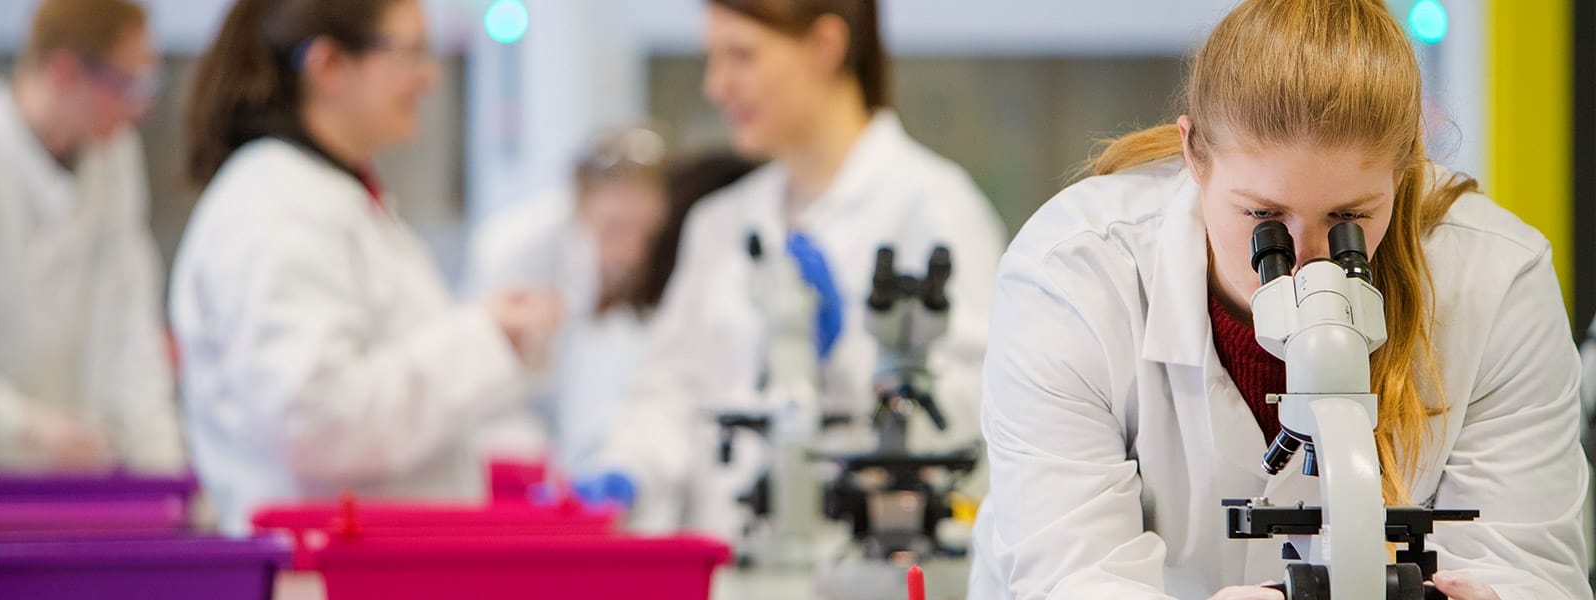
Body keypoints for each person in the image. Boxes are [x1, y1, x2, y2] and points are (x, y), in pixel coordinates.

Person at [968, 0, 1589, 598]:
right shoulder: (1074, 278)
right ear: (1194, 154)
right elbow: (1074, 574)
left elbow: (1525, 562)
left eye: (1350, 217)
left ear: (1404, 169)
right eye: (1263, 216)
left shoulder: (1495, 282)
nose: (1307, 261)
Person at [594, 0, 1006, 540]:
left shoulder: (932, 206)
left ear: (825, 47)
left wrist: (853, 358)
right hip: (723, 567)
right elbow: (668, 391)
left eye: (741, 56)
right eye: (711, 59)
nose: (716, 86)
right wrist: (630, 469)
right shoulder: (719, 221)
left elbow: (983, 419)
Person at [171, 0, 562, 535]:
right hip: (321, 571)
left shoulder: (332, 197)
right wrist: (480, 338)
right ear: (329, 65)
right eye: (410, 53)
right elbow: (312, 420)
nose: (428, 77)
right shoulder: (274, 206)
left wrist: (490, 337)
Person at [468, 138, 758, 476]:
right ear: (579, 211)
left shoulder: (672, 278)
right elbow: (489, 396)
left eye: (646, 234)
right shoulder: (516, 254)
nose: (631, 252)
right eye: (613, 229)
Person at [0, 0, 184, 473]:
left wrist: (165, 470)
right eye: (129, 84)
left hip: (82, 478)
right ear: (64, 73)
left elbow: (130, 324)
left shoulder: (114, 156)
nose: (141, 107)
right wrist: (24, 424)